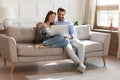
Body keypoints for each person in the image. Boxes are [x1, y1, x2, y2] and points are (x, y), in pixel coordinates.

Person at [54, 7, 86, 73]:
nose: (61, 16)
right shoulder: (54, 23)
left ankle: (81, 65)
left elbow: (74, 33)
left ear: (65, 14)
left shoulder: (69, 22)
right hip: (64, 41)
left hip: (71, 39)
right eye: (59, 14)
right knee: (69, 48)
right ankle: (81, 65)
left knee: (81, 45)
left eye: (62, 15)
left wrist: (70, 36)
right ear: (57, 14)